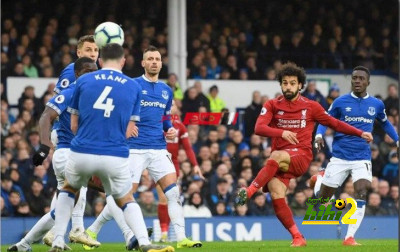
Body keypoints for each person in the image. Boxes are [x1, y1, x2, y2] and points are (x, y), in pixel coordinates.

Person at [48, 44, 173, 252]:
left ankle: (58, 241)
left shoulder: (83, 80)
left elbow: (73, 125)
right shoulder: (133, 86)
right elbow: (131, 129)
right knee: (125, 198)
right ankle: (144, 242)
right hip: (114, 153)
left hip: (82, 150)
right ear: (123, 62)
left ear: (100, 60)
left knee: (69, 190)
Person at [235, 62, 373, 247]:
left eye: (292, 83)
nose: (288, 86)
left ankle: (250, 190)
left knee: (275, 156)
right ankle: (298, 237)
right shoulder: (272, 105)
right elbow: (258, 128)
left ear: (300, 85)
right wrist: (281, 133)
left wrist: (359, 132)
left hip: (300, 156)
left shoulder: (311, 106)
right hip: (280, 160)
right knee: (277, 196)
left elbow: (335, 123)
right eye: (285, 83)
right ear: (281, 85)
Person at [85, 46, 201, 249]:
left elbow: (165, 117)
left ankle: (181, 238)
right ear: (143, 63)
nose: (154, 62)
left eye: (157, 59)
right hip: (133, 149)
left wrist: (170, 128)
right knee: (125, 196)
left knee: (173, 193)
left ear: (161, 63)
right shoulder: (132, 85)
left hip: (157, 148)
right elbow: (116, 111)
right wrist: (125, 127)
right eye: (150, 59)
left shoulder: (166, 90)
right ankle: (94, 229)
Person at [7, 57, 100, 252]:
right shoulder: (71, 92)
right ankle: (72, 232)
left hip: (73, 156)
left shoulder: (94, 97)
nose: (93, 74)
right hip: (68, 154)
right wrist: (45, 145)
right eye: (87, 71)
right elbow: (45, 116)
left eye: (95, 71)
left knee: (61, 208)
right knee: (77, 196)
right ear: (77, 74)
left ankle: (27, 244)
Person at [312, 66, 399, 246]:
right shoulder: (340, 102)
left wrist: (397, 140)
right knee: (322, 201)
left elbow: (385, 123)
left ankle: (349, 237)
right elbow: (324, 120)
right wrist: (319, 135)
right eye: (354, 78)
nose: (357, 81)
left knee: (361, 191)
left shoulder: (376, 104)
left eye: (361, 78)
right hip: (340, 156)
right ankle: (320, 179)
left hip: (362, 157)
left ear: (368, 82)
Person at [158, 100, 204, 242]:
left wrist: (195, 164)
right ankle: (164, 232)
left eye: (173, 105)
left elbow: (188, 148)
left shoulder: (180, 127)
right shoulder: (157, 124)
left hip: (173, 165)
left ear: (177, 108)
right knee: (162, 198)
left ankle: (166, 234)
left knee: (171, 197)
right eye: (168, 105)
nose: (170, 107)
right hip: (158, 162)